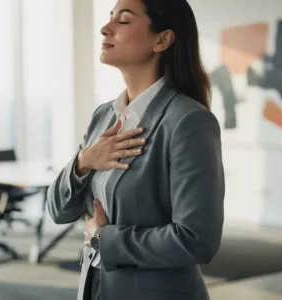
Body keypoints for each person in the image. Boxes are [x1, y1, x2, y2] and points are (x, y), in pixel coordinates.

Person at [46, 0, 224, 299]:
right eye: (109, 17)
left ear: (162, 39)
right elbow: (57, 210)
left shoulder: (188, 121)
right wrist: (84, 161)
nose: (105, 28)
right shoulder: (104, 116)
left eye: (124, 21)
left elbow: (197, 240)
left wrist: (106, 239)